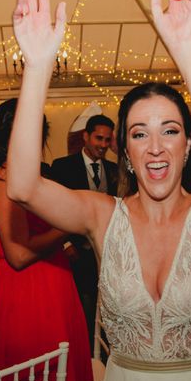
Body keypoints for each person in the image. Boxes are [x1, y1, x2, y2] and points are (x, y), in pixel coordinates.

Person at [6, 0, 191, 381]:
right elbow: (22, 186)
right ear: (124, 147)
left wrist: (185, 46)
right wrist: (38, 65)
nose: (156, 148)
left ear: (189, 143)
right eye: (140, 134)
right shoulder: (102, 216)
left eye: (171, 131)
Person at [0, 100, 93, 381]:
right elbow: (17, 254)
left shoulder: (24, 171)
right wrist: (69, 227)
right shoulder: (5, 176)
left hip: (50, 288)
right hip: (30, 296)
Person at [51, 114, 118, 352]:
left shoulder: (115, 170)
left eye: (107, 140)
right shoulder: (62, 166)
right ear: (86, 137)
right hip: (74, 251)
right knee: (81, 309)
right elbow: (53, 209)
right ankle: (83, 353)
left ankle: (106, 352)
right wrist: (66, 244)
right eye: (98, 138)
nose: (102, 145)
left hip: (108, 254)